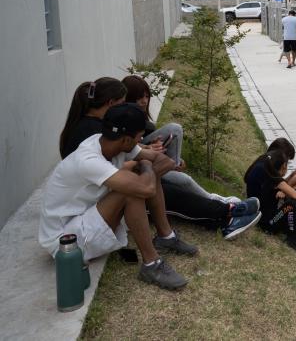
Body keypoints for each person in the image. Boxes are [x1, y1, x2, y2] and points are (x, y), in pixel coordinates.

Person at [61, 78, 261, 240]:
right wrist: (144, 163)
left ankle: (225, 208)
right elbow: (121, 169)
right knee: (164, 193)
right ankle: (225, 216)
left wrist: (147, 157)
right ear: (111, 104)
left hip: (107, 187)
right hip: (97, 200)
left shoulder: (99, 128)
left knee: (170, 182)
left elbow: (133, 157)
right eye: (124, 104)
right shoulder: (90, 136)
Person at [40, 103, 196, 290]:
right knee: (135, 189)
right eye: (139, 137)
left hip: (82, 219)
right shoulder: (88, 160)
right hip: (65, 243)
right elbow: (147, 183)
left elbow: (162, 161)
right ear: (126, 140)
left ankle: (166, 236)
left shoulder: (108, 142)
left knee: (145, 180)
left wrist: (146, 167)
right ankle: (151, 264)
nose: (142, 142)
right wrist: (146, 167)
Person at [59, 77, 127, 159]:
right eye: (122, 103)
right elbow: (111, 165)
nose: (124, 108)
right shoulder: (96, 130)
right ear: (111, 103)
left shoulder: (83, 122)